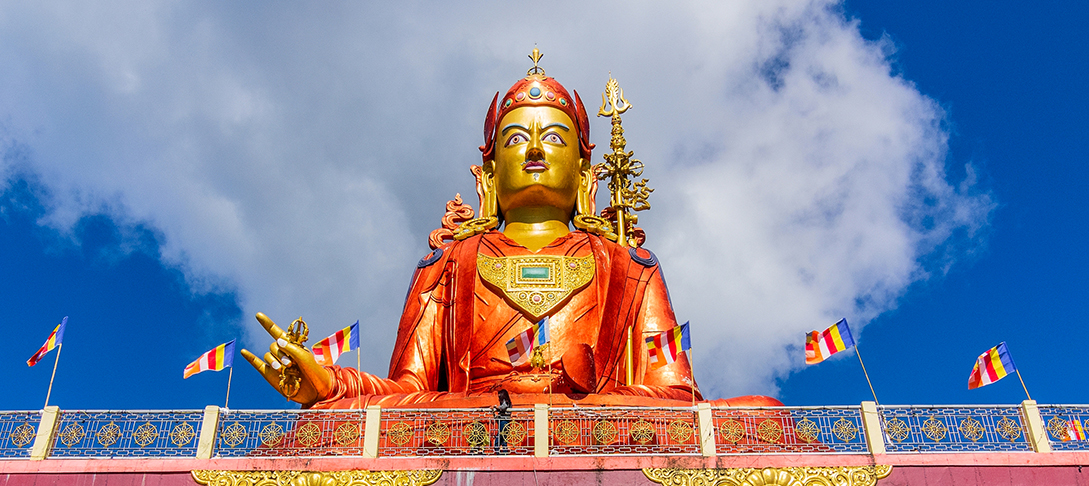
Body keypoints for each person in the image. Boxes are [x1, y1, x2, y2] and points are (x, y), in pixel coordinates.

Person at [244, 58, 777, 410]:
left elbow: (673, 393)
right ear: (490, 174)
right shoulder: (448, 265)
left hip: (592, 426)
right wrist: (330, 383)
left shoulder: (629, 267)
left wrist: (582, 411)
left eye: (554, 139)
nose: (537, 152)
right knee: (337, 425)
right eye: (517, 139)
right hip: (469, 422)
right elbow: (409, 390)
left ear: (585, 174)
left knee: (763, 415)